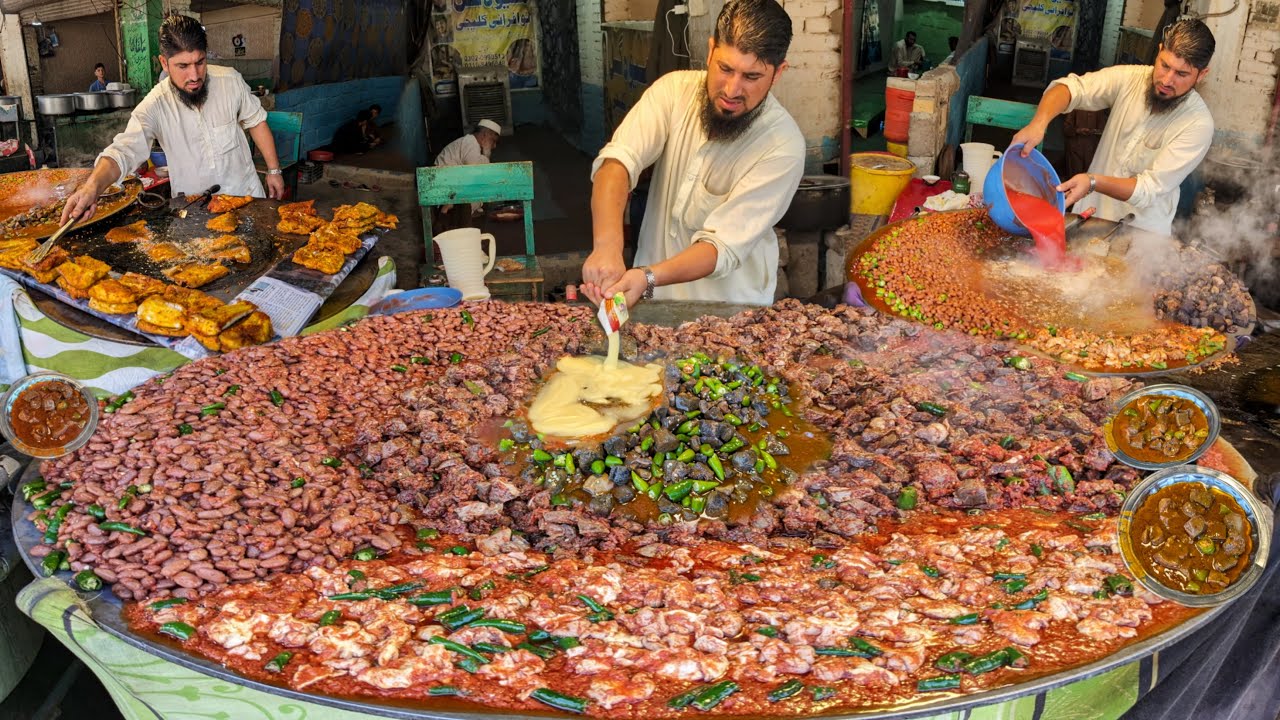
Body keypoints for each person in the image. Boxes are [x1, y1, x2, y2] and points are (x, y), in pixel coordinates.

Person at [581, 0, 804, 308]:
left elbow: (720, 247)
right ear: (711, 51)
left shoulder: (782, 145)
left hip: (732, 316)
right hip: (652, 304)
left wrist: (646, 276)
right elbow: (617, 163)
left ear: (778, 73)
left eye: (751, 77)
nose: (732, 90)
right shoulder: (672, 92)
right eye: (725, 68)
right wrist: (607, 247)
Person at [62, 13, 283, 223]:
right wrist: (91, 188)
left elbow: (256, 121)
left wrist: (273, 171)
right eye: (183, 66)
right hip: (195, 210)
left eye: (200, 62)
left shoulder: (230, 81)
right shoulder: (155, 105)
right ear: (164, 63)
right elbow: (122, 151)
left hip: (246, 197)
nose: (195, 76)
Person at [1011, 19, 1215, 236]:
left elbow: (1148, 189)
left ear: (1201, 75)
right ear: (1159, 51)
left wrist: (1092, 181)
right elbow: (1071, 88)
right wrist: (1039, 123)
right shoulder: (1130, 78)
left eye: (1181, 74)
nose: (1167, 79)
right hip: (1088, 218)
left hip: (1141, 236)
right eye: (1164, 65)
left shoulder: (1198, 124)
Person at [433, 119, 502, 221]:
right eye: (493, 141)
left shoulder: (472, 144)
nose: (494, 146)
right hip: (444, 186)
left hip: (449, 183)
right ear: (485, 135)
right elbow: (475, 172)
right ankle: (448, 208)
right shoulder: (471, 143)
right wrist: (487, 154)